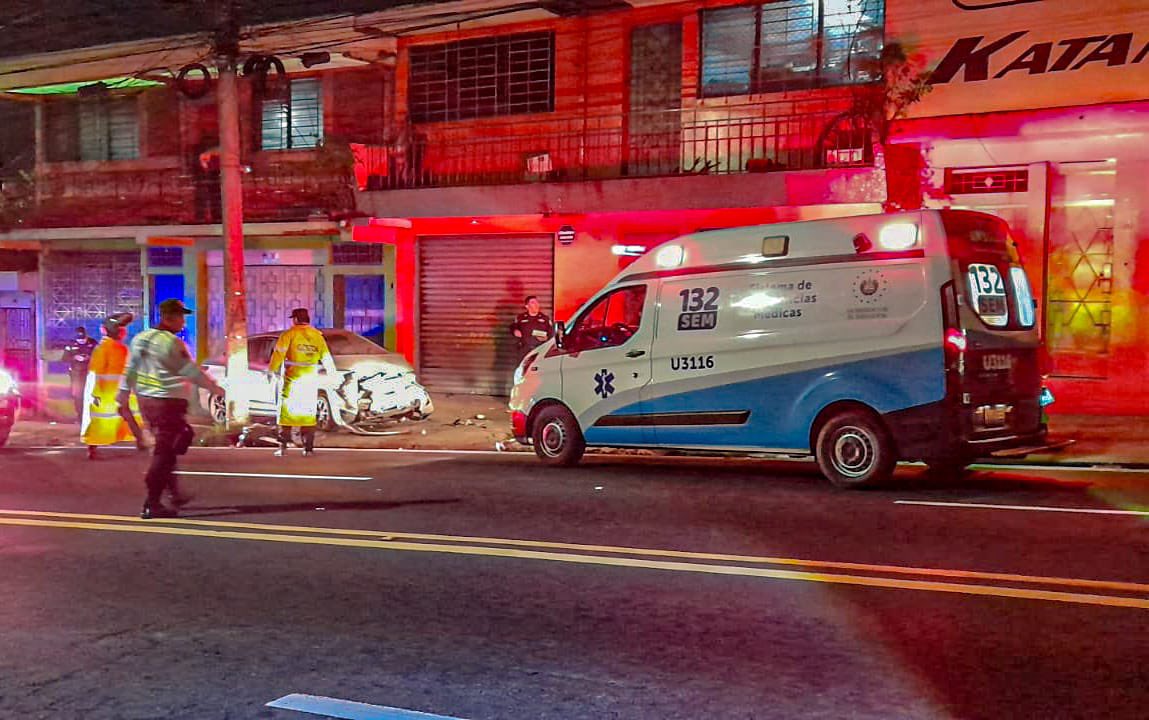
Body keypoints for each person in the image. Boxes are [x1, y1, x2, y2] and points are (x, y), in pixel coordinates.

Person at [118, 299, 225, 519]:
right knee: (166, 450)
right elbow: (191, 372)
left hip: (147, 402)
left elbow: (130, 369)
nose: (183, 322)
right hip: (168, 403)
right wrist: (215, 388)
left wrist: (123, 393)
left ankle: (174, 493)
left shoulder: (140, 339)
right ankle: (152, 503)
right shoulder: (171, 343)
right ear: (168, 318)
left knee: (169, 446)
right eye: (180, 317)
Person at [268, 308, 336, 457]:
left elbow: (278, 353)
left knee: (286, 413)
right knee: (308, 414)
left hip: (293, 379)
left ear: (296, 319)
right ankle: (308, 448)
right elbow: (326, 357)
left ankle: (283, 447)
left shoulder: (289, 335)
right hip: (310, 379)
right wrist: (333, 374)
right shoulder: (317, 336)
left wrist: (271, 370)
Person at [82, 313, 146, 460]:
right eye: (122, 329)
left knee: (126, 417)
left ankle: (141, 441)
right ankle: (92, 448)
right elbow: (95, 374)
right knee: (102, 420)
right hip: (107, 393)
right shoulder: (107, 349)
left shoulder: (116, 348)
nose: (124, 332)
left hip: (114, 393)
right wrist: (95, 394)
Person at [63, 326, 98, 420]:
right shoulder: (70, 344)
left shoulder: (93, 343)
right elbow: (64, 358)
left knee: (92, 393)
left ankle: (92, 415)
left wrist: (89, 358)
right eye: (79, 339)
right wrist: (75, 357)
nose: (82, 341)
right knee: (78, 395)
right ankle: (80, 416)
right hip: (76, 374)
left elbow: (99, 356)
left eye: (83, 339)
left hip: (90, 372)